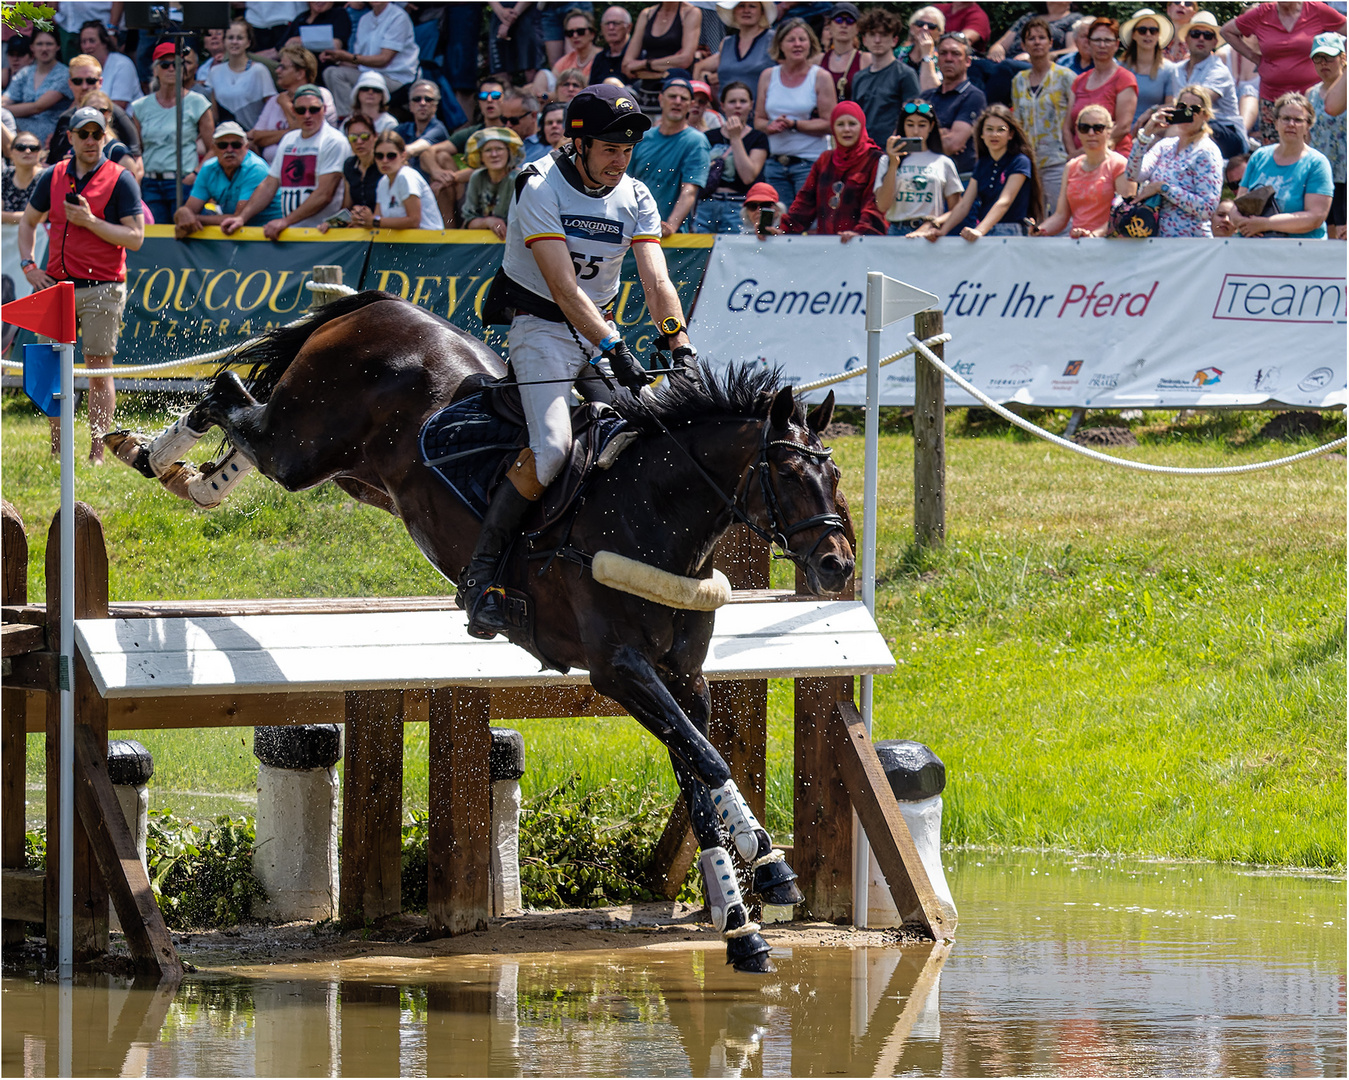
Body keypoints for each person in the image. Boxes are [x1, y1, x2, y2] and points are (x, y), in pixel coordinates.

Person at [460, 84, 695, 639]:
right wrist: (614, 348)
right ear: (579, 142)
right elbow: (563, 288)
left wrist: (677, 344)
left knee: (653, 429)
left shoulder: (636, 194)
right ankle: (480, 577)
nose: (620, 161)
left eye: (627, 150)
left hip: (598, 329)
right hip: (541, 327)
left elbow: (656, 280)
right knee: (553, 451)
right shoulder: (539, 184)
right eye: (610, 149)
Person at [16, 105, 144, 464]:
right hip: (56, 286)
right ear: (69, 138)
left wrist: (90, 221)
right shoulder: (52, 175)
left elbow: (135, 238)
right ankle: (58, 451)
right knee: (53, 369)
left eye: (97, 133)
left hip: (102, 286)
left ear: (106, 136)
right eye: (83, 134)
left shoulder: (121, 178)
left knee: (98, 371)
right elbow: (28, 223)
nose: (91, 140)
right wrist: (28, 265)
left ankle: (96, 454)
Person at [221, 83, 349, 238]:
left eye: (314, 109)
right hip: (291, 232)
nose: (307, 115)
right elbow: (269, 185)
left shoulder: (334, 141)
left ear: (324, 110)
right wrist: (241, 217)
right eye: (301, 110)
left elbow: (324, 194)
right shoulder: (289, 139)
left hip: (322, 234)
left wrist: (285, 221)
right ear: (293, 112)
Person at [1222, 1, 1346, 146]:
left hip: (1311, 99)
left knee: (1313, 149)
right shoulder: (1262, 13)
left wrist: (1344, 64)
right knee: (1274, 152)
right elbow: (1226, 31)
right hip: (1272, 99)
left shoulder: (1316, 9)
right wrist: (1254, 57)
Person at [916, 103, 1042, 240]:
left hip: (1011, 232)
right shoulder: (982, 163)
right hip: (986, 232)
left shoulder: (1020, 161)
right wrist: (942, 231)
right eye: (989, 129)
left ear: (1010, 134)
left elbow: (1004, 201)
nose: (994, 134)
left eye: (1001, 130)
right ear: (982, 134)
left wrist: (979, 231)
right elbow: (964, 205)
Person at [129, 41, 215, 223]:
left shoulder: (198, 102)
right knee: (155, 238)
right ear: (155, 70)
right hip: (151, 182)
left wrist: (196, 174)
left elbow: (214, 148)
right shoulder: (141, 107)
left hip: (183, 181)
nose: (171, 69)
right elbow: (137, 150)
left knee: (184, 235)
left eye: (176, 64)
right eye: (165, 64)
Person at [755, 19, 836, 209]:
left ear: (810, 44)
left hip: (809, 163)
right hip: (775, 164)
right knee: (777, 223)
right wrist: (770, 126)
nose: (797, 44)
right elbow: (758, 119)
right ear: (780, 45)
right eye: (791, 40)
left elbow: (831, 124)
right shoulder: (768, 75)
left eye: (802, 39)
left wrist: (794, 124)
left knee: (808, 223)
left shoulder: (820, 77)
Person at [774, 100, 885, 239]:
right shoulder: (825, 160)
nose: (846, 129)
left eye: (852, 124)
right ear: (833, 128)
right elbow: (805, 203)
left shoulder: (875, 159)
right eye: (840, 124)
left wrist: (859, 233)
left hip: (863, 245)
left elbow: (876, 205)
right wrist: (783, 230)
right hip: (829, 245)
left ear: (862, 126)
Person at [1231, 90, 1333, 237]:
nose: (1291, 124)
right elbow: (1238, 204)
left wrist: (1265, 224)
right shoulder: (1259, 156)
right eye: (1285, 118)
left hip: (1299, 250)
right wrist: (1241, 222)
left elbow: (1315, 217)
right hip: (1254, 246)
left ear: (1308, 126)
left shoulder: (1317, 164)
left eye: (1298, 120)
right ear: (1276, 123)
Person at [1126, 83, 1225, 235]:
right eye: (1182, 107)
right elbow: (1133, 174)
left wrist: (1163, 188)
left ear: (1205, 115)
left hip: (1190, 244)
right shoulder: (1165, 146)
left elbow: (1206, 209)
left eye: (1194, 109)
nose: (1187, 113)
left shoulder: (1206, 151)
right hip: (1158, 241)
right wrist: (1146, 134)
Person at [1031, 104, 1134, 236]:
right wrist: (1040, 230)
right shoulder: (1071, 167)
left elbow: (1125, 214)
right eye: (1084, 128)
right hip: (1079, 243)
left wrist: (1094, 235)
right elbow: (1061, 216)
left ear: (1109, 131)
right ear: (1078, 132)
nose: (1091, 133)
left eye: (1098, 128)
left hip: (1111, 244)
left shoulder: (1119, 164)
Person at [628, 75, 711, 233]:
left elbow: (690, 190)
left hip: (670, 235)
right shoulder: (642, 138)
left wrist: (670, 225)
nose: (677, 101)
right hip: (632, 228)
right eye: (672, 96)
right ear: (661, 99)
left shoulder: (696, 142)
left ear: (690, 104)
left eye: (683, 98)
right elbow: (625, 182)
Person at [174, 120, 281, 238]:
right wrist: (183, 212)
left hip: (269, 234)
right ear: (214, 148)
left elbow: (238, 218)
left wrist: (195, 218)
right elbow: (190, 209)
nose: (229, 150)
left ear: (246, 147)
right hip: (237, 236)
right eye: (222, 145)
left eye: (236, 145)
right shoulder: (208, 168)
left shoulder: (256, 168)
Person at [874, 99, 963, 235]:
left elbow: (957, 209)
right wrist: (893, 164)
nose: (916, 131)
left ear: (931, 126)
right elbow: (882, 205)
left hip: (929, 232)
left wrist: (934, 224)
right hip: (897, 230)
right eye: (910, 125)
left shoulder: (943, 162)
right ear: (902, 126)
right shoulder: (886, 160)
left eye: (922, 125)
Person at [1011, 16, 1074, 210]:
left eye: (1041, 37)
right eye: (1031, 38)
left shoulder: (1066, 76)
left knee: (1060, 213)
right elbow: (1017, 122)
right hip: (1029, 161)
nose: (1037, 42)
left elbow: (1075, 117)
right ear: (1023, 45)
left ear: (1050, 42)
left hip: (1058, 159)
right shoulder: (1018, 80)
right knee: (1034, 216)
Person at [695, 79, 768, 232]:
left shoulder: (758, 138)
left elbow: (748, 176)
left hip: (739, 206)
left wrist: (735, 137)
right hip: (707, 204)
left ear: (751, 105)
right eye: (732, 101)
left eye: (743, 101)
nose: (737, 106)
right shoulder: (709, 136)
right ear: (722, 106)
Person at [1177, 11, 1250, 159]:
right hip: (1191, 124)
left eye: (1208, 35)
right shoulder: (1177, 70)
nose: (1201, 39)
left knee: (1186, 120)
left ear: (1215, 42)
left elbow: (1196, 106)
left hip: (1226, 132)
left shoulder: (1219, 70)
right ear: (1187, 39)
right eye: (1196, 34)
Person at [249, 45, 337, 166]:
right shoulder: (274, 100)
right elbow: (257, 137)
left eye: (283, 67)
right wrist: (290, 132)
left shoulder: (319, 96)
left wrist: (286, 105)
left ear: (300, 73)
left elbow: (306, 131)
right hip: (273, 170)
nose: (277, 71)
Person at [322, 1, 420, 108]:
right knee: (330, 72)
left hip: (395, 77)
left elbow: (383, 60)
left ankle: (352, 118)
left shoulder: (399, 17)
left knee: (337, 75)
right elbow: (359, 61)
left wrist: (348, 57)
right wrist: (337, 59)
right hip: (368, 72)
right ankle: (348, 119)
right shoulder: (365, 19)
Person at [48, 53, 141, 165]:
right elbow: (53, 160)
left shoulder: (115, 114)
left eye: (90, 81)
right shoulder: (66, 119)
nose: (84, 87)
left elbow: (137, 161)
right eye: (78, 81)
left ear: (100, 82)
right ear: (70, 84)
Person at [1067, 19, 1139, 157]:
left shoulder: (1124, 78)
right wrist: (1072, 155)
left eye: (1107, 40)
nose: (1102, 45)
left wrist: (1088, 152)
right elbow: (1067, 127)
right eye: (1097, 40)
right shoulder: (1079, 80)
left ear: (1116, 44)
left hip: (1113, 158)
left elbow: (1123, 126)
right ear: (1089, 43)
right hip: (1079, 160)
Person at [851, 9, 920, 148]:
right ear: (864, 40)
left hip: (895, 151)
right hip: (864, 151)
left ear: (894, 40)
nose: (877, 40)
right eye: (872, 34)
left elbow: (913, 118)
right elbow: (854, 119)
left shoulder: (905, 74)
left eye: (883, 35)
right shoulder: (859, 77)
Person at [921, 31, 986, 176]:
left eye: (955, 54)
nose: (949, 59)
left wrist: (922, 137)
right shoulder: (927, 96)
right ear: (937, 59)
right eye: (943, 53)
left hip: (961, 181)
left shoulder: (974, 96)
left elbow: (953, 144)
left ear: (968, 61)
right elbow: (902, 139)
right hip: (927, 178)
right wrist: (942, 133)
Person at [622, 2, 702, 113]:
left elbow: (685, 60)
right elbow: (627, 66)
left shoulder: (690, 13)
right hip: (646, 97)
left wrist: (645, 65)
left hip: (675, 97)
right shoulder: (647, 14)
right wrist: (666, 70)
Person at [357, 130, 443, 231]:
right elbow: (378, 220)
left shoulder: (406, 176)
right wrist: (362, 219)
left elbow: (414, 221)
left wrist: (374, 221)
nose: (384, 161)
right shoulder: (383, 182)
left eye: (391, 155)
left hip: (428, 242)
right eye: (379, 156)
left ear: (403, 156)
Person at [694, 1, 774, 103]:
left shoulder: (773, 40)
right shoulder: (727, 43)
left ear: (762, 12)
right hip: (727, 114)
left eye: (752, 6)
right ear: (734, 11)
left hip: (760, 113)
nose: (746, 11)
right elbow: (699, 67)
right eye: (741, 6)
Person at [1306, 33, 1346, 239]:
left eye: (1329, 58)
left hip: (1345, 173)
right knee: (1327, 230)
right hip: (1323, 175)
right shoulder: (1310, 94)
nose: (1323, 64)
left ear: (1343, 58)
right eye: (1318, 58)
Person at [3, 30, 71, 147]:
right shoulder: (26, 72)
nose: (44, 48)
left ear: (58, 47)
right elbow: (6, 98)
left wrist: (3, 111)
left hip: (49, 138)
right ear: (32, 47)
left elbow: (37, 107)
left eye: (49, 44)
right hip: (19, 134)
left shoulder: (64, 74)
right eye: (39, 44)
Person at [208, 20, 277, 131]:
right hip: (224, 136)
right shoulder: (215, 71)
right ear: (224, 41)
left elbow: (271, 108)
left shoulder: (259, 71)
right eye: (230, 38)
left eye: (239, 38)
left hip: (253, 135)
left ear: (248, 42)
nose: (234, 42)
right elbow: (214, 114)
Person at [1121, 9, 1181, 130]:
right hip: (1121, 130)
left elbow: (1172, 105)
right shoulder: (1121, 67)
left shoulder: (1169, 69)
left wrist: (1152, 110)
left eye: (1153, 31)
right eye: (1142, 31)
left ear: (1158, 35)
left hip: (1153, 130)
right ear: (1133, 35)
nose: (1148, 34)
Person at [460, 125, 524, 237]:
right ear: (481, 156)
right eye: (488, 150)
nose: (494, 155)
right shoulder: (477, 177)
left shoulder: (518, 179)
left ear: (509, 153)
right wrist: (488, 222)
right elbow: (469, 221)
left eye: (499, 149)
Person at [76, 22, 139, 109]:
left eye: (92, 41)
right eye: (83, 42)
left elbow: (118, 106)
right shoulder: (84, 69)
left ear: (104, 42)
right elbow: (77, 102)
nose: (87, 46)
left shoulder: (122, 64)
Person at [987, 3, 1078, 63]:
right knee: (979, 65)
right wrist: (997, 49)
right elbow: (1002, 44)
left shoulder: (1073, 19)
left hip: (1034, 64)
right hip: (1006, 61)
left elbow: (1073, 49)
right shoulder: (1029, 17)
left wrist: (1034, 57)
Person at [397, 79, 451, 177]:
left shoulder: (438, 129)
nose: (422, 103)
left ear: (435, 106)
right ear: (410, 106)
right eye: (417, 99)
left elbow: (412, 150)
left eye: (428, 99)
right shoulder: (403, 129)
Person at [822, 3, 869, 102]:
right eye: (838, 20)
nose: (844, 25)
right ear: (829, 26)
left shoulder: (867, 60)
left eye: (850, 21)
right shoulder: (817, 60)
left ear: (857, 28)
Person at [487, 2, 545, 83]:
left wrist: (508, 20)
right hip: (499, 15)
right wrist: (500, 12)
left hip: (527, 15)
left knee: (531, 70)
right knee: (500, 73)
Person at [337, 115, 382, 215]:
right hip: (359, 225)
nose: (359, 142)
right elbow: (347, 207)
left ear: (375, 136)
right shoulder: (349, 165)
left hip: (384, 224)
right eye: (353, 138)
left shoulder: (384, 162)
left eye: (364, 136)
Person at [2, 129, 42, 222]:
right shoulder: (4, 176)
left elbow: (40, 216)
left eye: (33, 148)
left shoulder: (46, 177)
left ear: (39, 153)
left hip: (38, 233)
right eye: (20, 147)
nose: (27, 151)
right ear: (11, 151)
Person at [502, 89, 550, 163]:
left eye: (514, 120)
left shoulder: (548, 145)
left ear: (533, 116)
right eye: (504, 120)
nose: (508, 125)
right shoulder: (499, 144)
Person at [589, 5, 634, 85]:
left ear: (629, 27)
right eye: (607, 23)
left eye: (616, 23)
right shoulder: (599, 58)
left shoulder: (638, 55)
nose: (611, 27)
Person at [899, 6, 945, 84]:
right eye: (920, 24)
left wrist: (927, 55)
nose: (925, 28)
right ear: (912, 28)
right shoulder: (899, 53)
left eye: (931, 26)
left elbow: (933, 90)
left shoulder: (942, 59)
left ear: (939, 33)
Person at [553, 8, 602, 81]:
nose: (575, 36)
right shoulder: (567, 60)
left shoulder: (603, 58)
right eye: (570, 33)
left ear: (592, 34)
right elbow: (552, 78)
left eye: (580, 31)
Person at [348, 70, 398, 134]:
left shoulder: (390, 124)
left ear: (382, 96)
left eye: (376, 90)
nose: (370, 92)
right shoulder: (349, 121)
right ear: (358, 93)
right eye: (365, 89)